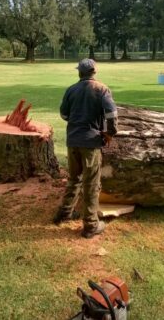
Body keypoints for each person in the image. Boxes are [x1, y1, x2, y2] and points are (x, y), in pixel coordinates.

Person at [54, 58, 118, 238]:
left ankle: (64, 213)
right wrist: (109, 134)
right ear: (94, 71)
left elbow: (64, 114)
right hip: (90, 143)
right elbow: (112, 115)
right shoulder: (102, 89)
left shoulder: (71, 90)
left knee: (75, 179)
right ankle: (90, 225)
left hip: (72, 141)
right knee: (92, 183)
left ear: (79, 72)